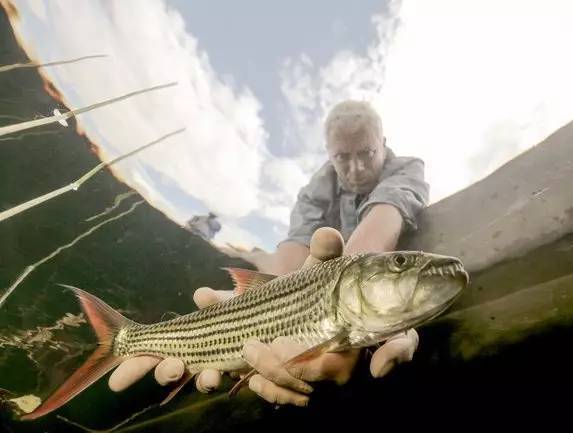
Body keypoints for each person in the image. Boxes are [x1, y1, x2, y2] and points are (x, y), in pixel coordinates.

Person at [109, 100, 430, 406]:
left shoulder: (408, 167)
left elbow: (386, 210)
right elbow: (295, 245)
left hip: (361, 272)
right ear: (329, 155)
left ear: (383, 143)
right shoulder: (317, 186)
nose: (356, 168)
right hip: (321, 280)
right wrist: (267, 305)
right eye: (343, 158)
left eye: (367, 153)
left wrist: (367, 310)